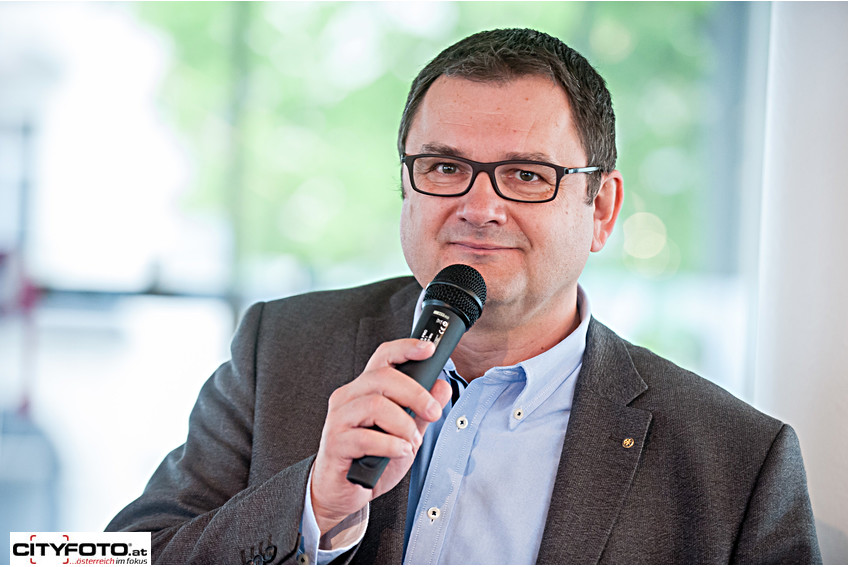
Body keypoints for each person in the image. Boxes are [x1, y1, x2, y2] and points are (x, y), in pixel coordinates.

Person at [107, 28, 821, 564]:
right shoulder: (280, 348)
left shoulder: (736, 460)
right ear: (406, 186)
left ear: (602, 209)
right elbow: (107, 556)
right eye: (445, 167)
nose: (479, 208)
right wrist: (312, 505)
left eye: (527, 175)